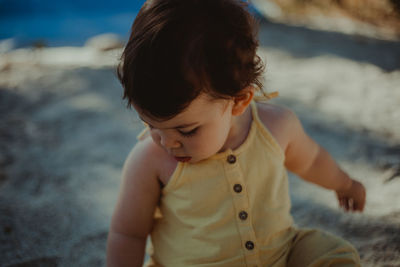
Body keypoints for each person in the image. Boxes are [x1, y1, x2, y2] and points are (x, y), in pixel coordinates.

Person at [106, 0, 367, 266]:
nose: (166, 142)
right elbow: (128, 234)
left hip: (278, 254)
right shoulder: (149, 160)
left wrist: (345, 184)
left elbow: (311, 160)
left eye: (187, 130)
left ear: (239, 101)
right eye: (151, 125)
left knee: (335, 254)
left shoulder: (276, 127)